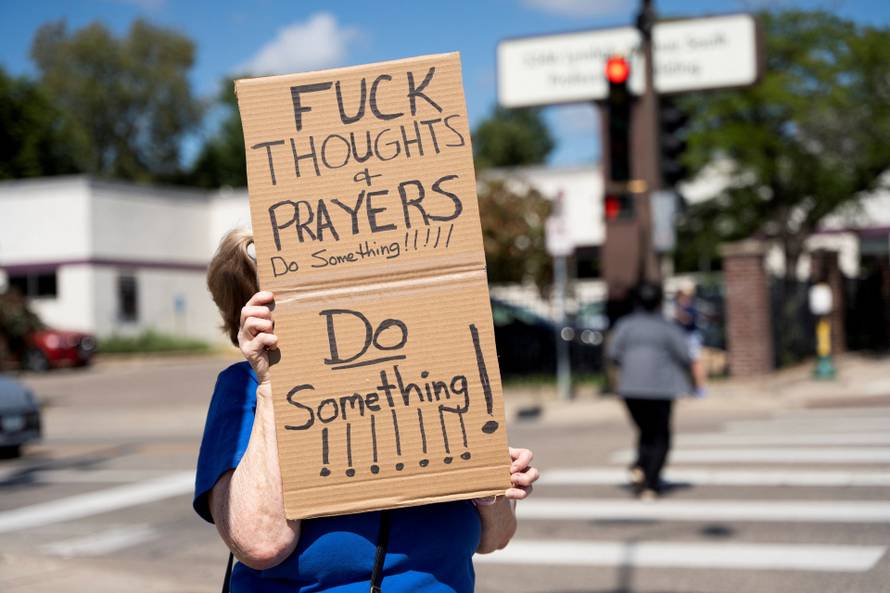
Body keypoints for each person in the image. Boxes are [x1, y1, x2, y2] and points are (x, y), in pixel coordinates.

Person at [194, 229, 539, 592]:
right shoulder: (245, 390)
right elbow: (261, 543)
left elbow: (496, 537)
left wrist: (489, 485)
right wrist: (273, 388)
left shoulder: (438, 377)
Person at [607, 282, 692, 500]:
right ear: (659, 301)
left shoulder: (626, 325)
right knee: (660, 435)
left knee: (646, 432)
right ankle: (650, 483)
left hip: (631, 390)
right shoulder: (667, 326)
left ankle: (641, 468)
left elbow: (614, 353)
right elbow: (684, 355)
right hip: (661, 389)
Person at [674, 282, 706, 397]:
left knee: (696, 363)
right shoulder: (679, 305)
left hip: (691, 336)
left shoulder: (691, 306)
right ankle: (687, 387)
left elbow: (687, 320)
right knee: (681, 364)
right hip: (681, 336)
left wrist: (679, 315)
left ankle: (700, 388)